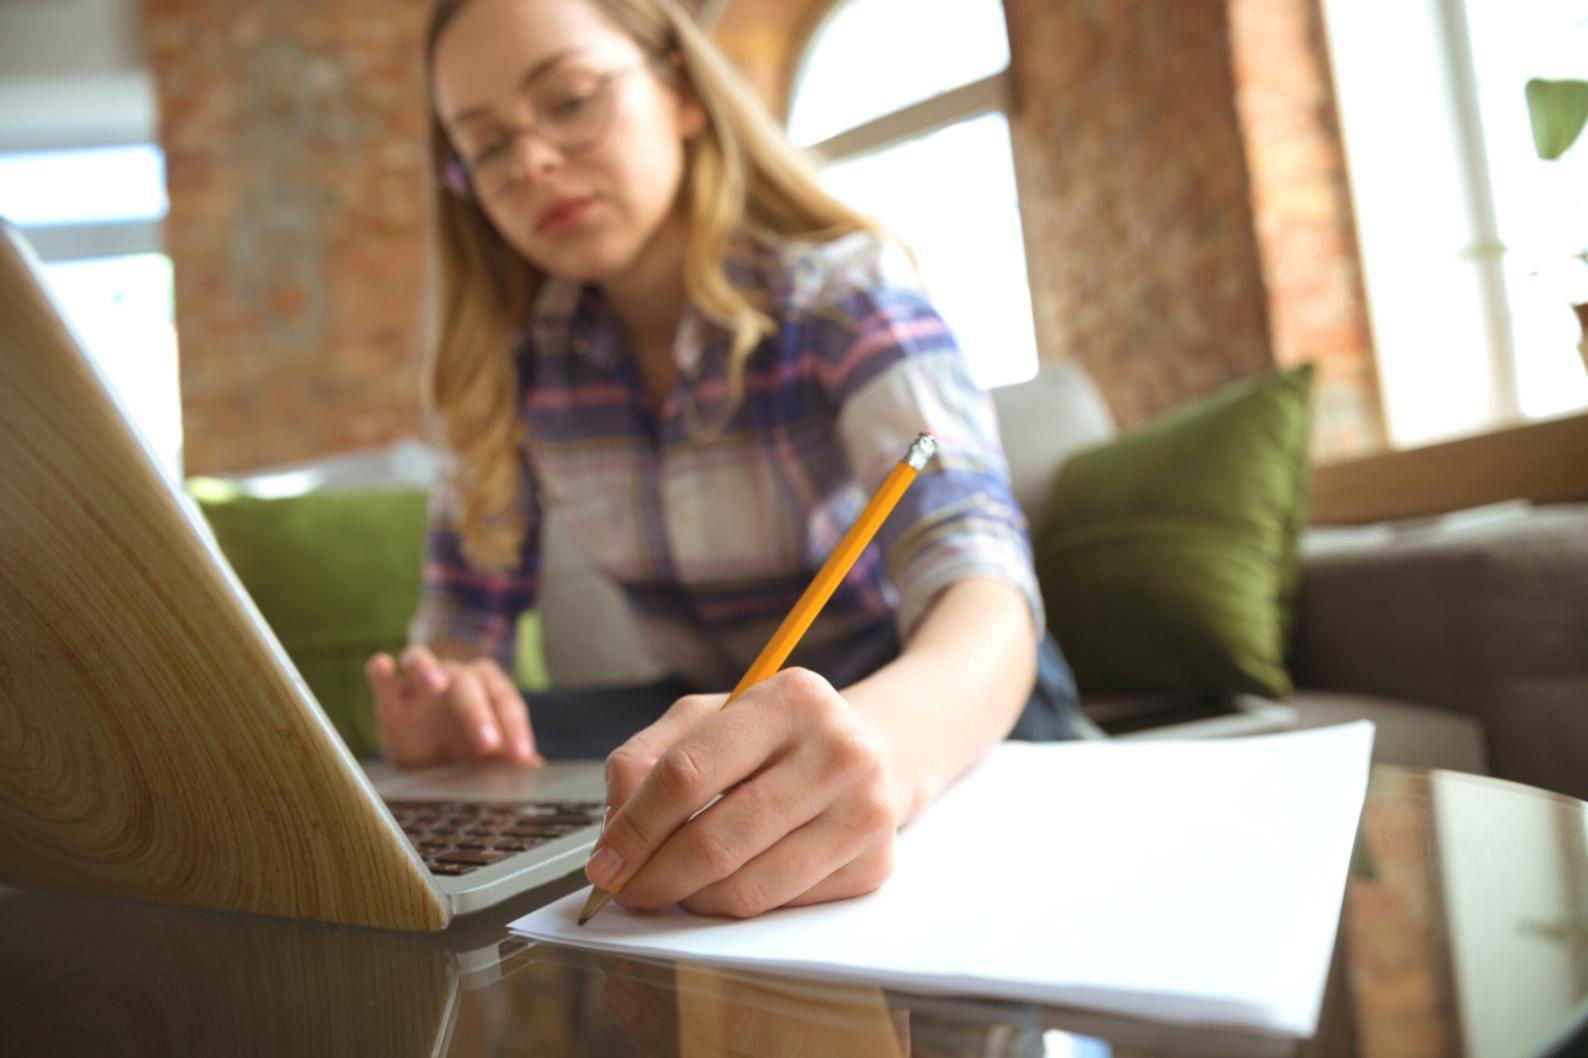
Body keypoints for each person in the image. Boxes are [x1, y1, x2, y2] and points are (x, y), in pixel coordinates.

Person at [365, 0, 1079, 920]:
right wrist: (449, 705)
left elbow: (981, 591)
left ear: (683, 91)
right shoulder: (511, 368)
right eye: (489, 146)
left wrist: (882, 752)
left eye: (570, 100)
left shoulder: (843, 293)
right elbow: (461, 640)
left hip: (918, 690)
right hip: (712, 711)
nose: (531, 162)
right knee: (507, 765)